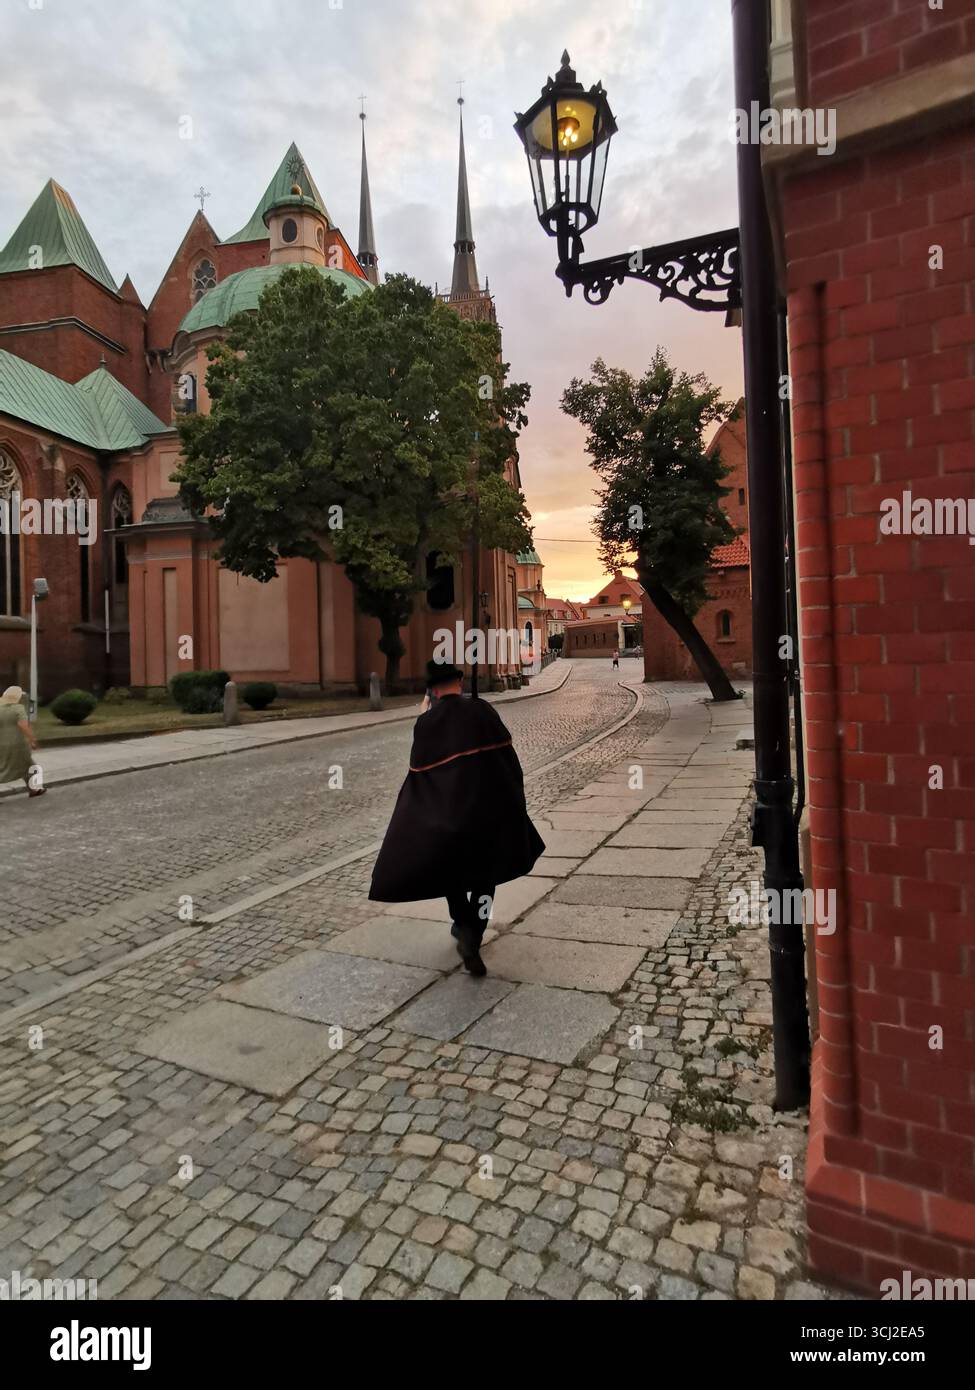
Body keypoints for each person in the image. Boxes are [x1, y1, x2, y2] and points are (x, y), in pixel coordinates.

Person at [370, 659, 545, 977]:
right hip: (488, 815)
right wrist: (512, 801)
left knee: (449, 873)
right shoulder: (483, 711)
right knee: (486, 877)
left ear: (432, 690)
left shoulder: (427, 723)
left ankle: (463, 924)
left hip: (449, 820)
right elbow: (508, 760)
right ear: (460, 682)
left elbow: (420, 780)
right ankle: (473, 933)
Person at [0, 686, 44, 797]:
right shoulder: (18, 708)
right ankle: (34, 789)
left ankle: (33, 789)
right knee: (30, 766)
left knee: (8, 765)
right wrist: (32, 739)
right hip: (17, 743)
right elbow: (23, 725)